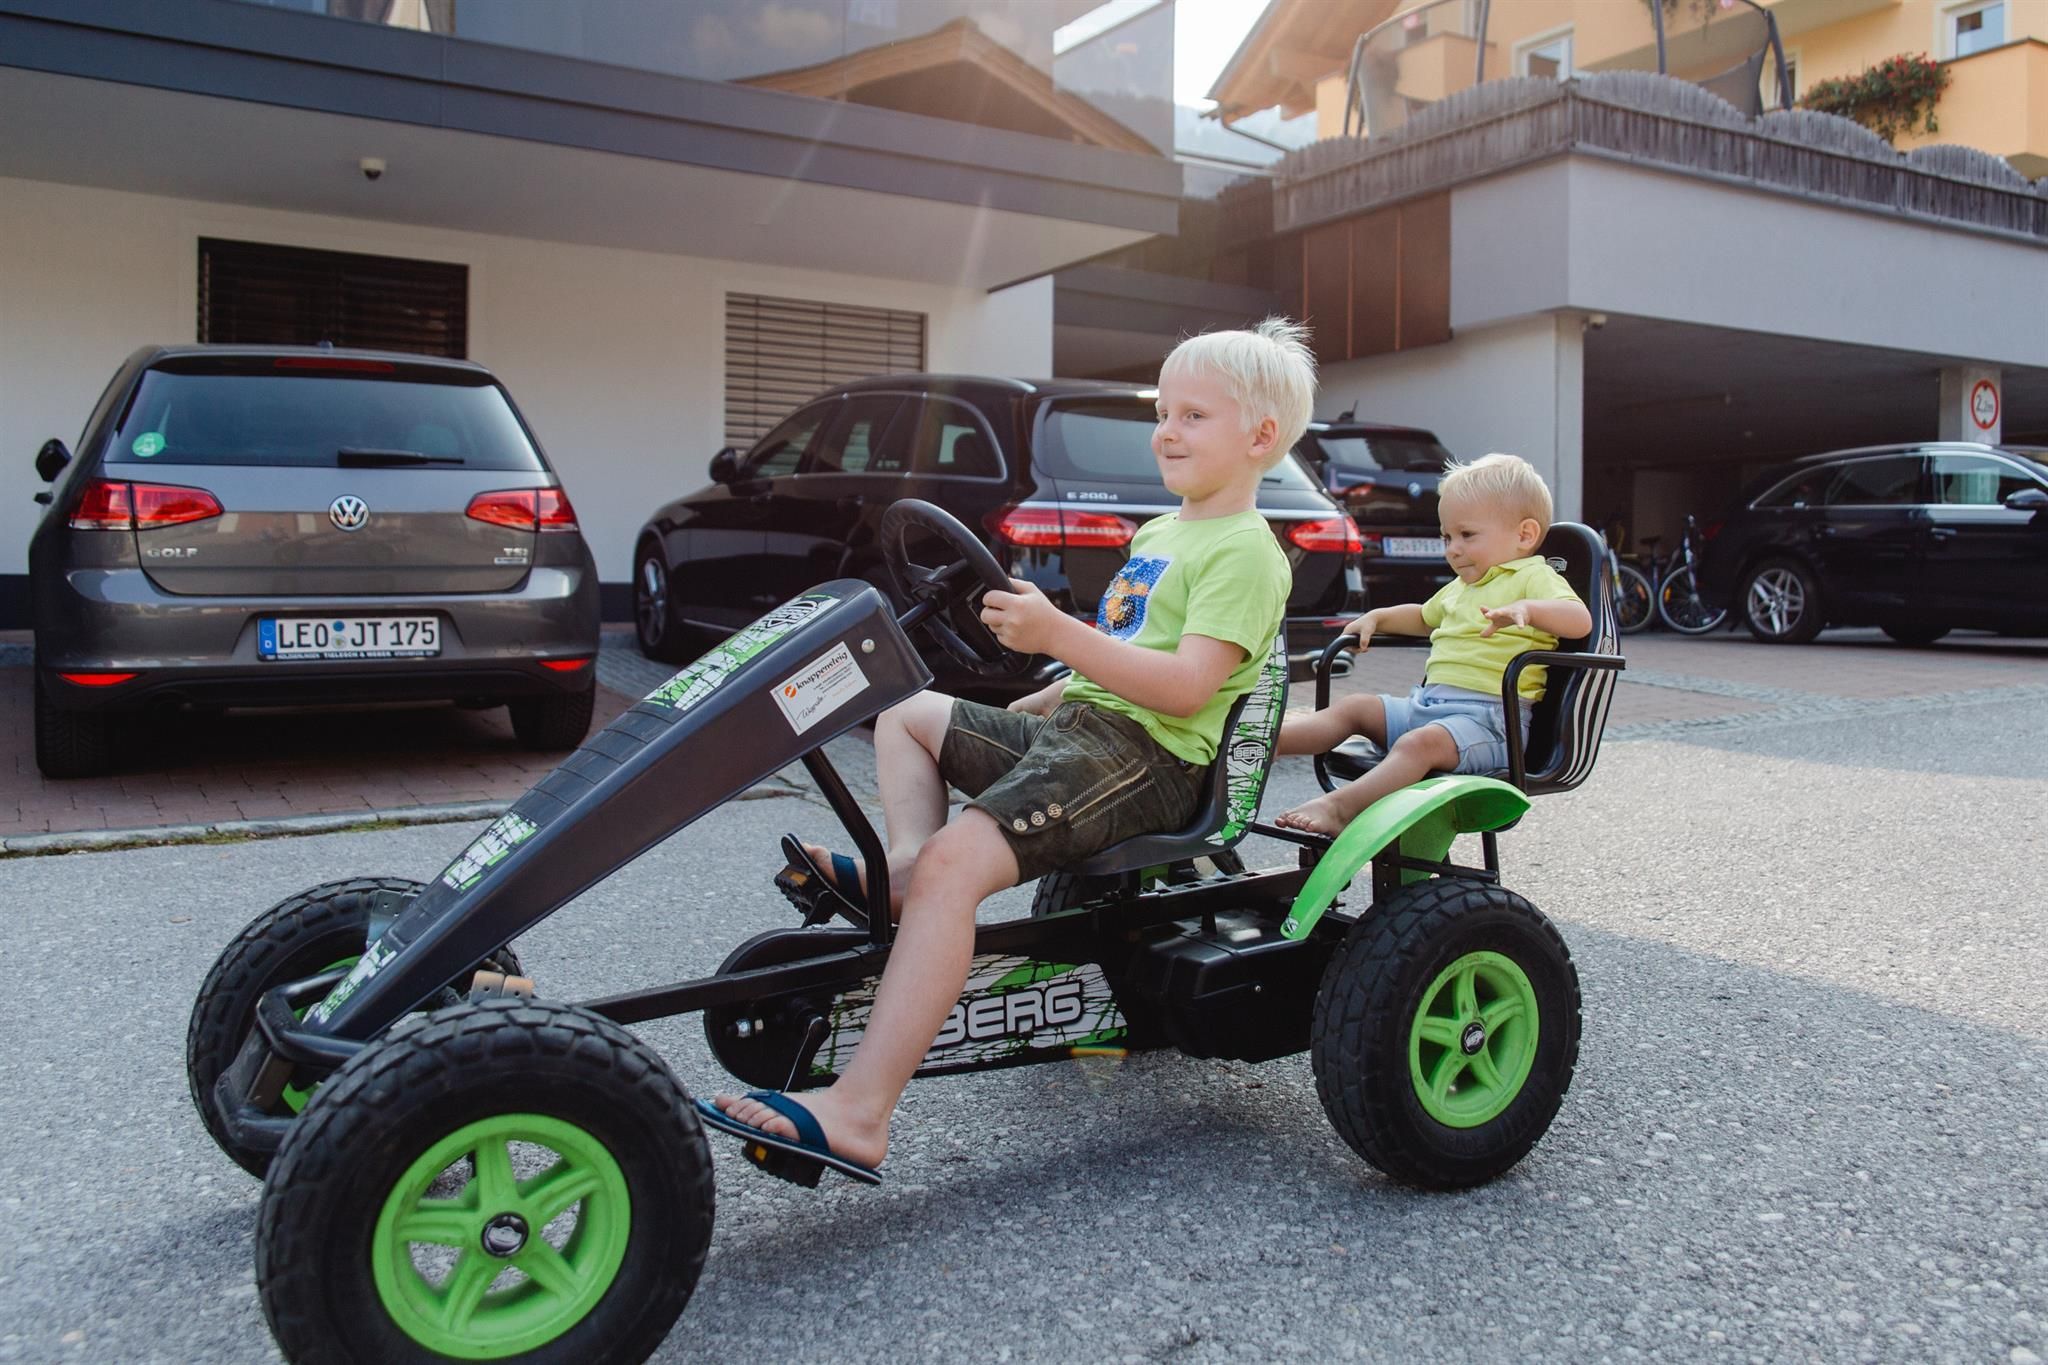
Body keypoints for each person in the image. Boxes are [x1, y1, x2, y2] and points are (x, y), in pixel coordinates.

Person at [700, 319, 1315, 1182]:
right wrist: (1053, 691)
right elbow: (1129, 649)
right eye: (1162, 413)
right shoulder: (1160, 533)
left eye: (1193, 416)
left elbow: (1184, 688)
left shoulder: (1246, 552)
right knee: (907, 712)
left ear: (1259, 437)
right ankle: (907, 874)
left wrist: (1056, 632)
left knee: (961, 863)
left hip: (1150, 758)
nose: (1166, 432)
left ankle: (859, 1112)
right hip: (1088, 732)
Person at [1272, 452, 1591, 837]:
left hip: (1490, 724)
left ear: (1524, 535)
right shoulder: (1463, 587)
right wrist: (1379, 617)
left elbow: (1580, 620)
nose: (1452, 548)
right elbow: (1423, 617)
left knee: (1418, 745)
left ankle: (1341, 809)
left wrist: (1529, 609)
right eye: (1447, 537)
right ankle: (1261, 744)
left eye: (1467, 535)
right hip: (1429, 707)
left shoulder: (1532, 577)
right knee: (1356, 707)